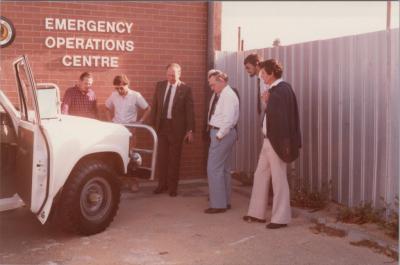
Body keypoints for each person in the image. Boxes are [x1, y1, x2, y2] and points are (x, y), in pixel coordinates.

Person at [243, 59, 301, 229]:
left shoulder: (282, 90)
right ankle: (256, 213)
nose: (262, 78)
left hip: (277, 142)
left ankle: (281, 218)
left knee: (279, 179)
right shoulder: (275, 90)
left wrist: (284, 145)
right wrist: (268, 101)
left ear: (272, 73)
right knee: (260, 175)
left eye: (263, 75)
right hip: (268, 141)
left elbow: (284, 120)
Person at [149, 63, 195, 197]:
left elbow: (190, 111)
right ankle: (162, 185)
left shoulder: (185, 89)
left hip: (176, 129)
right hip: (161, 127)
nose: (171, 78)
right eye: (168, 75)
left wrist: (190, 130)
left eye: (173, 75)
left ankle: (172, 187)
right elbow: (155, 106)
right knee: (162, 158)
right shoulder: (160, 86)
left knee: (174, 159)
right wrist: (153, 125)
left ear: (179, 74)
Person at [105, 74, 151, 192]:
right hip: (117, 131)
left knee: (131, 157)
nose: (119, 90)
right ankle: (119, 182)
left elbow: (147, 109)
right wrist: (110, 122)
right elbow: (106, 108)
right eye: (116, 88)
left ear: (127, 85)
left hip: (130, 130)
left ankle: (134, 182)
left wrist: (140, 122)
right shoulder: (114, 95)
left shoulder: (136, 96)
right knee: (116, 156)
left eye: (121, 88)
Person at [205, 69, 239, 214]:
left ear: (222, 81)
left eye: (213, 85)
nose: (212, 88)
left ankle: (218, 205)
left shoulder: (228, 96)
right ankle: (225, 201)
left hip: (222, 134)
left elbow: (228, 119)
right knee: (224, 169)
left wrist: (219, 135)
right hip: (224, 133)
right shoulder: (224, 94)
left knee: (213, 169)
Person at [244, 53, 274, 205]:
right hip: (266, 122)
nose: (247, 71)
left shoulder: (264, 78)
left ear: (257, 64)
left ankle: (270, 197)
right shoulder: (259, 79)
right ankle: (267, 196)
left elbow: (269, 102)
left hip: (271, 124)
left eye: (248, 68)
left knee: (269, 165)